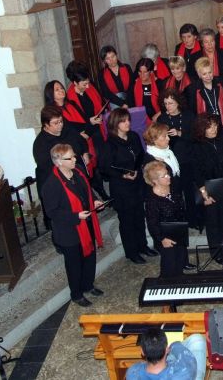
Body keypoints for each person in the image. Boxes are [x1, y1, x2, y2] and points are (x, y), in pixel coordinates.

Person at [42, 144, 105, 307]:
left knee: (90, 257)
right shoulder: (52, 184)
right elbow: (52, 212)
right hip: (69, 231)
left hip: (86, 223)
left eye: (74, 156)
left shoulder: (77, 173)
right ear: (58, 162)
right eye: (69, 158)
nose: (74, 159)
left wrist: (94, 201)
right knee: (74, 264)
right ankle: (76, 294)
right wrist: (76, 216)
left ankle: (88, 285)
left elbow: (87, 192)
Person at [100, 108, 155, 264]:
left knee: (139, 216)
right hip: (121, 187)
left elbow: (140, 155)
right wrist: (122, 174)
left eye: (128, 120)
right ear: (115, 124)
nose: (128, 123)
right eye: (123, 121)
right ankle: (131, 252)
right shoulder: (109, 143)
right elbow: (104, 167)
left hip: (137, 183)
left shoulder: (133, 136)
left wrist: (142, 167)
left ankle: (143, 246)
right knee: (127, 220)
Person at [33, 106, 88, 229]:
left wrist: (85, 152)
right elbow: (48, 168)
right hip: (57, 184)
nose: (60, 125)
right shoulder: (40, 144)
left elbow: (80, 141)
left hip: (73, 176)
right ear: (45, 125)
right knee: (65, 219)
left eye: (61, 121)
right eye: (55, 123)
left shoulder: (66, 129)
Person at [192, 113, 223, 262]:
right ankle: (216, 251)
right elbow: (197, 173)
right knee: (213, 221)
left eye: (215, 125)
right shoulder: (197, 147)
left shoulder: (222, 140)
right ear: (202, 128)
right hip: (209, 188)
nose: (214, 129)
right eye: (210, 126)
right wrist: (204, 193)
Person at [152, 92, 198, 229]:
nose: (168, 106)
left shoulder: (189, 115)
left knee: (190, 192)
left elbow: (196, 136)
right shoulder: (163, 118)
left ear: (178, 102)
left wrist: (180, 133)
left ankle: (193, 219)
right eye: (165, 103)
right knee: (175, 192)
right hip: (171, 162)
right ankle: (180, 219)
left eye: (171, 103)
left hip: (189, 158)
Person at [143, 160, 192, 277]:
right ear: (155, 181)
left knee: (180, 261)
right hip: (165, 237)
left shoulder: (173, 189)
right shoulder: (152, 201)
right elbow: (152, 223)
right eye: (164, 176)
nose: (168, 176)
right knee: (169, 266)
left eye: (167, 173)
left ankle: (179, 280)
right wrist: (162, 239)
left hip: (179, 232)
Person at [127, 327, 207, 380]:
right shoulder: (186, 370)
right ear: (167, 350)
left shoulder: (132, 372)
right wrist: (174, 344)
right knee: (197, 340)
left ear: (142, 352)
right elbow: (187, 357)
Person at [188, 57, 223, 128]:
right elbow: (192, 111)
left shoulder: (222, 83)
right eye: (204, 74)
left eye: (210, 72)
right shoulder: (193, 89)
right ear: (199, 74)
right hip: (205, 127)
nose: (208, 76)